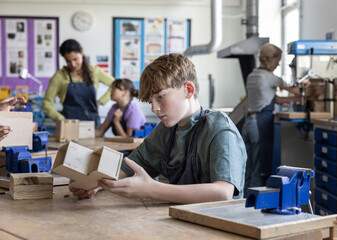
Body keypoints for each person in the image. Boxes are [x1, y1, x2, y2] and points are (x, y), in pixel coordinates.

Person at [70, 53, 247, 204]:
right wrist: (96, 183)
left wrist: (152, 189)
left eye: (160, 97)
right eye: (150, 101)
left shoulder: (220, 130)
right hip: (180, 220)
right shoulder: (167, 130)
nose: (154, 108)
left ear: (188, 89)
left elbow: (223, 192)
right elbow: (129, 167)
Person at [242, 43, 300, 191]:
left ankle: (242, 201)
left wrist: (294, 100)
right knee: (259, 168)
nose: (278, 64)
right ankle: (252, 208)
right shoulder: (271, 77)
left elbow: (275, 99)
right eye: (278, 60)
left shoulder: (252, 76)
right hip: (260, 125)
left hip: (248, 123)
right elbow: (295, 90)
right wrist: (307, 93)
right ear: (272, 59)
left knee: (247, 168)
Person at [42, 39, 114, 128]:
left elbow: (115, 84)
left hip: (93, 126)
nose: (73, 64)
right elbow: (46, 104)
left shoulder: (94, 71)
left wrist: (101, 101)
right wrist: (61, 120)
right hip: (69, 126)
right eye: (68, 61)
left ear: (82, 53)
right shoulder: (59, 76)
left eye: (75, 59)